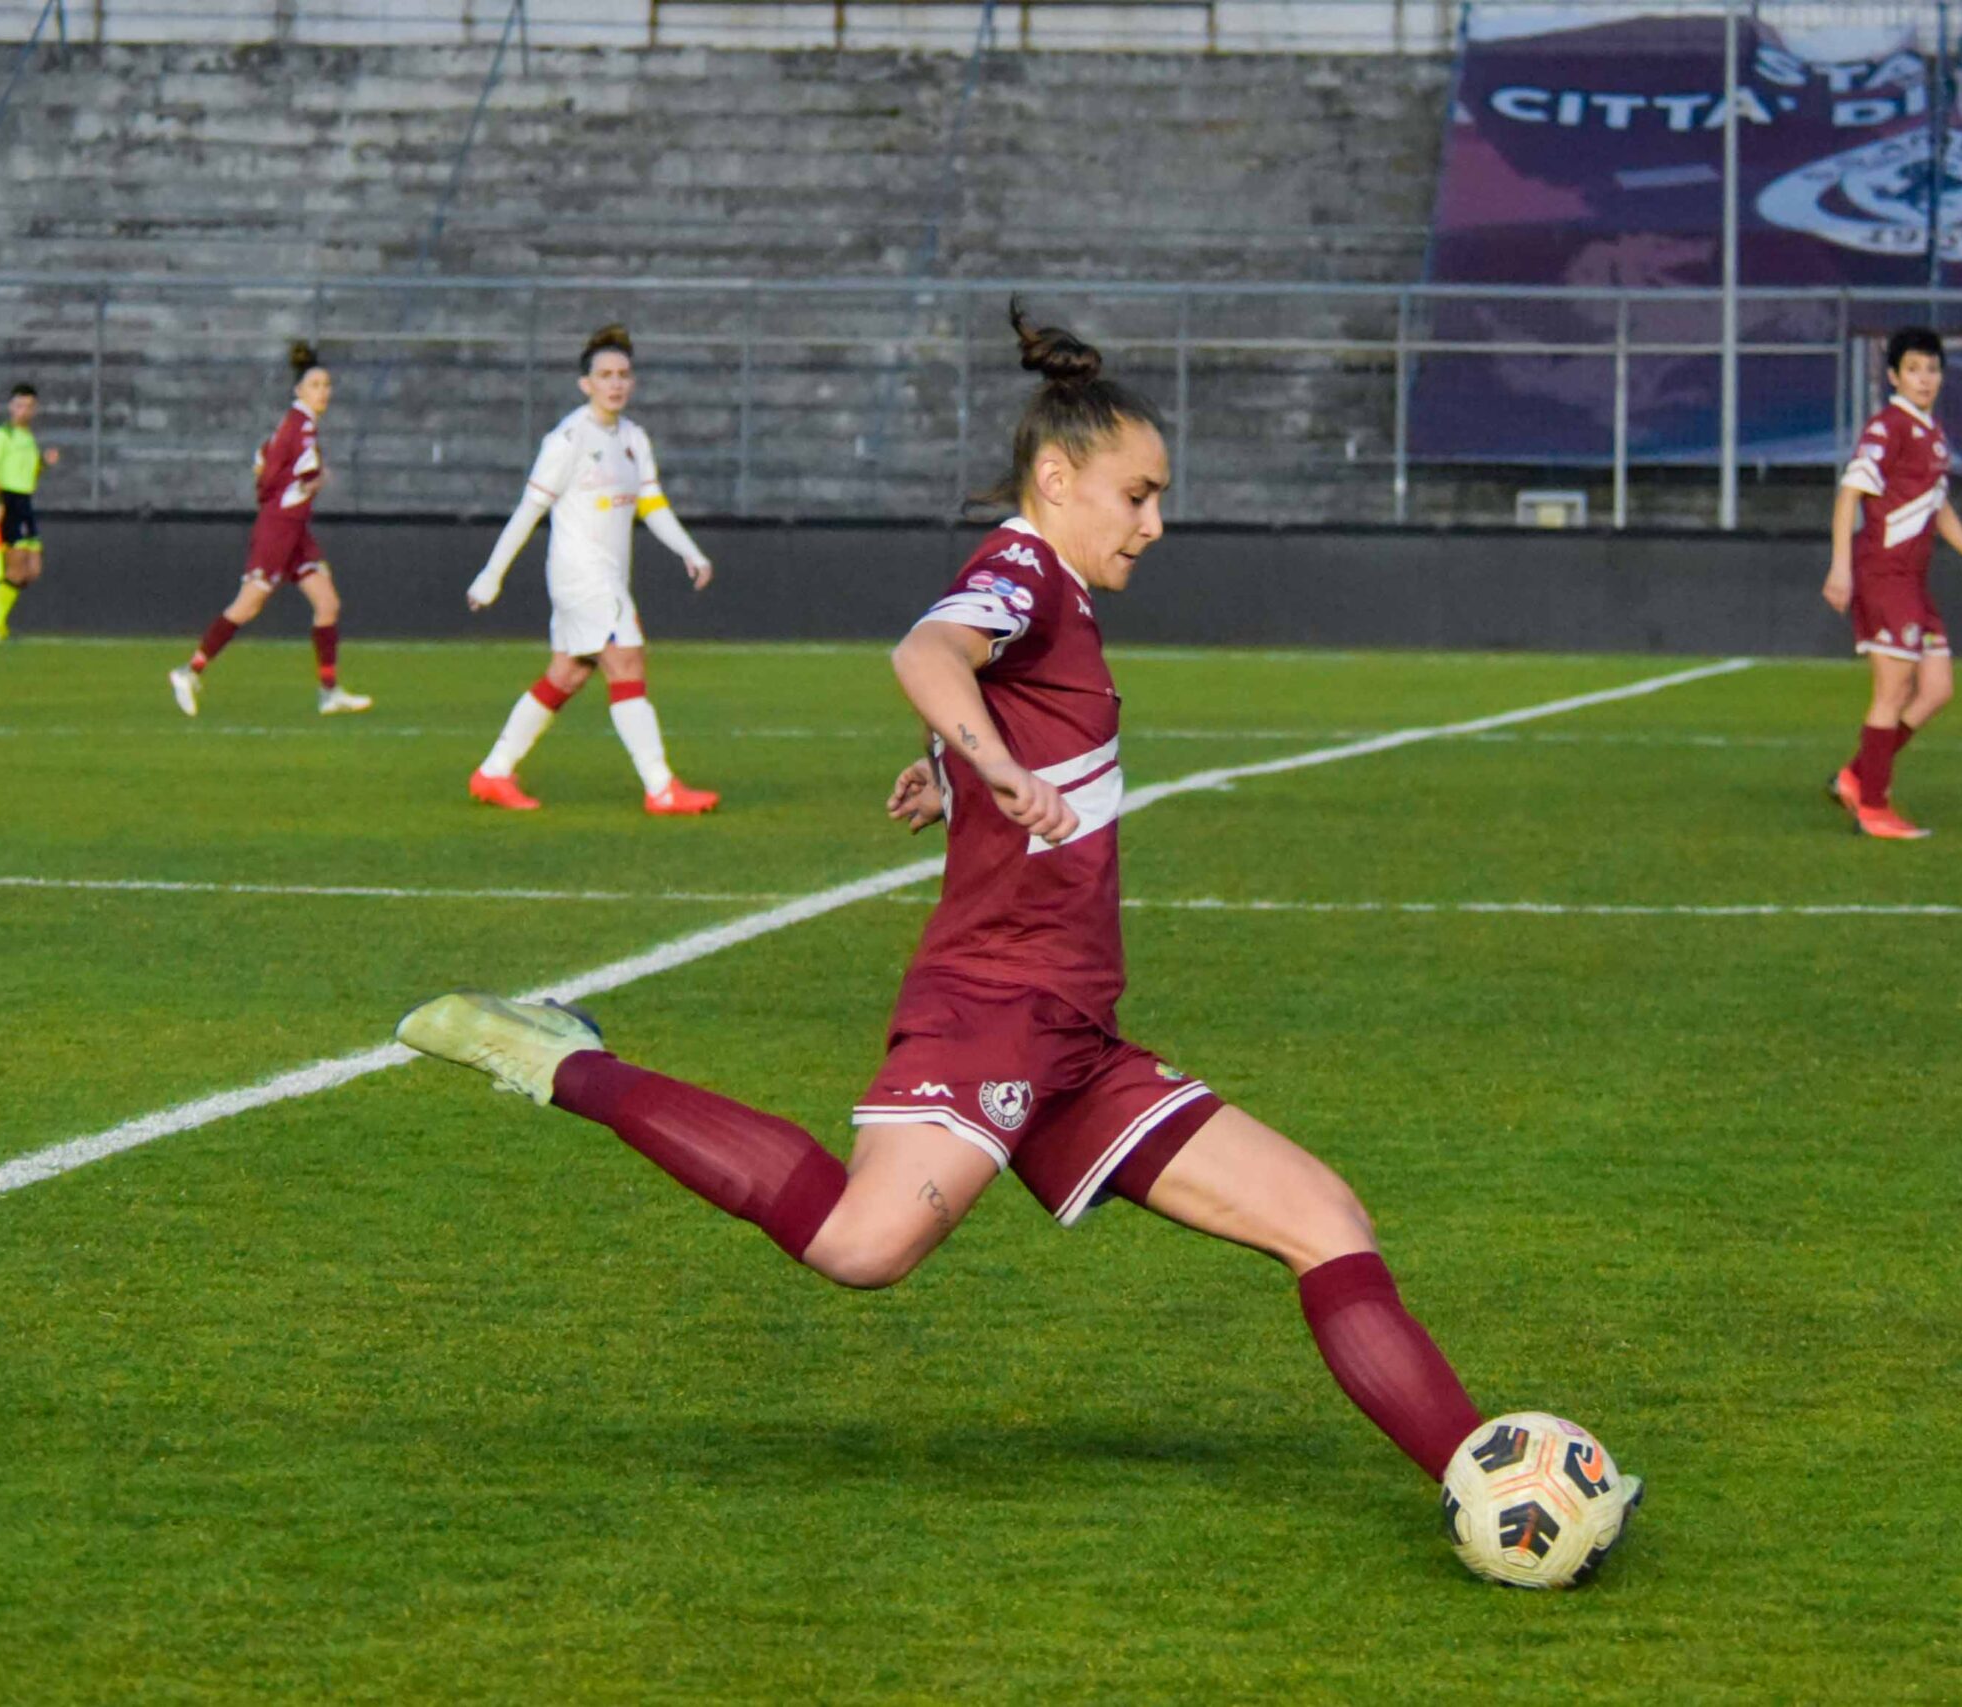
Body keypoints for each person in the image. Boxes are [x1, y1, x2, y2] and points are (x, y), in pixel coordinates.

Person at [396, 305, 1617, 1511]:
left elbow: (990, 704)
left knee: (1326, 1218)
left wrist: (954, 772)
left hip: (1072, 1031)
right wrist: (986, 763)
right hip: (995, 1002)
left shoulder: (1059, 598)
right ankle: (570, 1060)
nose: (1155, 521)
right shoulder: (1022, 567)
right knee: (862, 1247)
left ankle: (1485, 1481)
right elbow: (926, 656)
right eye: (1136, 494)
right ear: (1056, 475)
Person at [461, 323, 718, 814]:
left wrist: (690, 551)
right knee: (627, 663)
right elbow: (528, 512)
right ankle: (661, 787)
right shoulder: (567, 439)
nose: (616, 383)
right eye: (605, 375)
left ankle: (493, 772)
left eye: (623, 374)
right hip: (581, 577)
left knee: (568, 674)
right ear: (586, 384)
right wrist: (490, 577)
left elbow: (651, 503)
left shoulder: (633, 438)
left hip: (608, 577)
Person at [1821, 326, 1962, 840]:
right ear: (1893, 376)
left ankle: (1857, 777)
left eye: (1932, 369)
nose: (1925, 379)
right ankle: (1874, 807)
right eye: (1914, 370)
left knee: (1936, 690)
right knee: (1894, 689)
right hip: (1884, 576)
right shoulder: (1887, 427)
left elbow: (1937, 504)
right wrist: (1840, 567)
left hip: (1914, 582)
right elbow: (1849, 496)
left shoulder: (1932, 433)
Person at [168, 341, 372, 718]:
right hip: (279, 528)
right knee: (249, 604)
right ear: (299, 391)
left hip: (293, 529)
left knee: (327, 602)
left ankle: (329, 691)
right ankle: (189, 670)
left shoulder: (292, 425)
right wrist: (318, 479)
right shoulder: (303, 428)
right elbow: (306, 475)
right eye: (315, 385)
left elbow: (262, 460)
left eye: (326, 385)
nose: (323, 392)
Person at [0, 382, 60, 641]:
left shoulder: (28, 439)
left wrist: (43, 462)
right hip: (9, 501)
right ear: (11, 407)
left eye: (29, 406)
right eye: (20, 405)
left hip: (25, 502)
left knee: (33, 570)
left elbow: (30, 475)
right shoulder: (1, 435)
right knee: (17, 568)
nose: (24, 410)